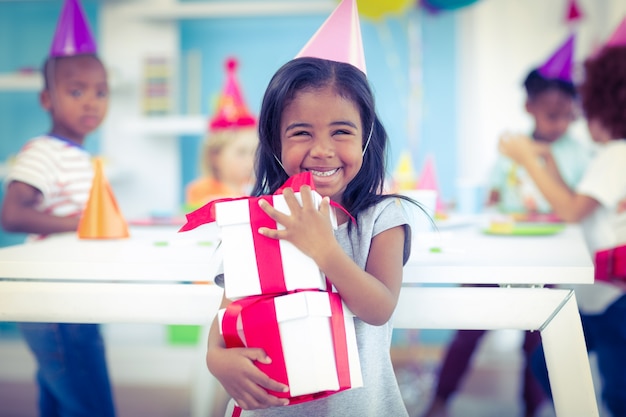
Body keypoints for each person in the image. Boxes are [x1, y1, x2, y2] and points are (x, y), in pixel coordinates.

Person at [422, 36, 592, 417]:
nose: (560, 122)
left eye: (568, 114)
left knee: (536, 340)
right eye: (551, 114)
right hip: (501, 256)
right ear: (529, 107)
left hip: (546, 261)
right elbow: (494, 196)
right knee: (469, 325)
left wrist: (544, 160)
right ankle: (439, 401)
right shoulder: (511, 150)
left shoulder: (576, 153)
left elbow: (574, 203)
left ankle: (531, 409)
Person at [499, 43, 626, 417]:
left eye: (584, 114)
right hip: (600, 299)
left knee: (617, 391)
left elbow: (570, 209)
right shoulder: (611, 156)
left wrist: (527, 158)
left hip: (613, 300)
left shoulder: (616, 155)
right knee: (548, 363)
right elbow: (575, 200)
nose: (582, 123)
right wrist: (548, 161)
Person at [0, 36, 116, 417]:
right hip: (53, 302)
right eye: (76, 90)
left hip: (72, 297)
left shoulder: (79, 156)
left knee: (60, 398)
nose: (90, 101)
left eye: (100, 92)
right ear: (47, 100)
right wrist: (79, 224)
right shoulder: (43, 152)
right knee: (91, 404)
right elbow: (12, 214)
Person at [185, 57, 258, 209]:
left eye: (254, 152)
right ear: (215, 156)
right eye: (241, 152)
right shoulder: (201, 190)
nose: (250, 161)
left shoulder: (257, 188)